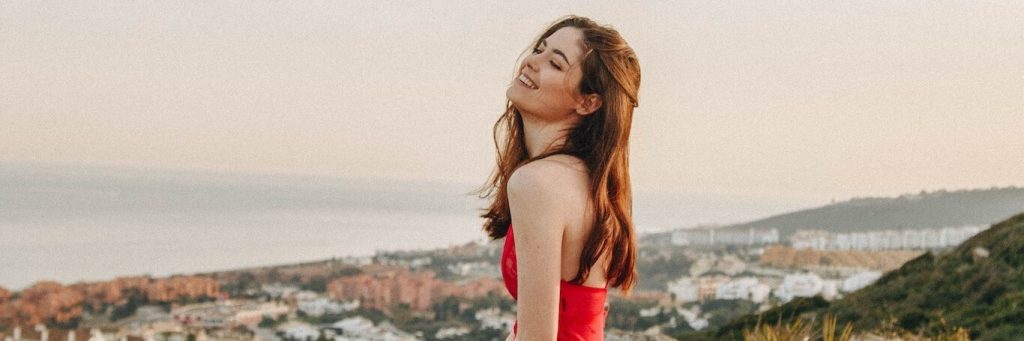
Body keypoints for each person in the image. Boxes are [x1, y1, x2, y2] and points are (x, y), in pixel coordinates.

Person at [475, 15, 641, 340]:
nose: (531, 62)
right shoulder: (586, 181)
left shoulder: (538, 183)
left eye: (555, 63)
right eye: (539, 49)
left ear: (588, 102)